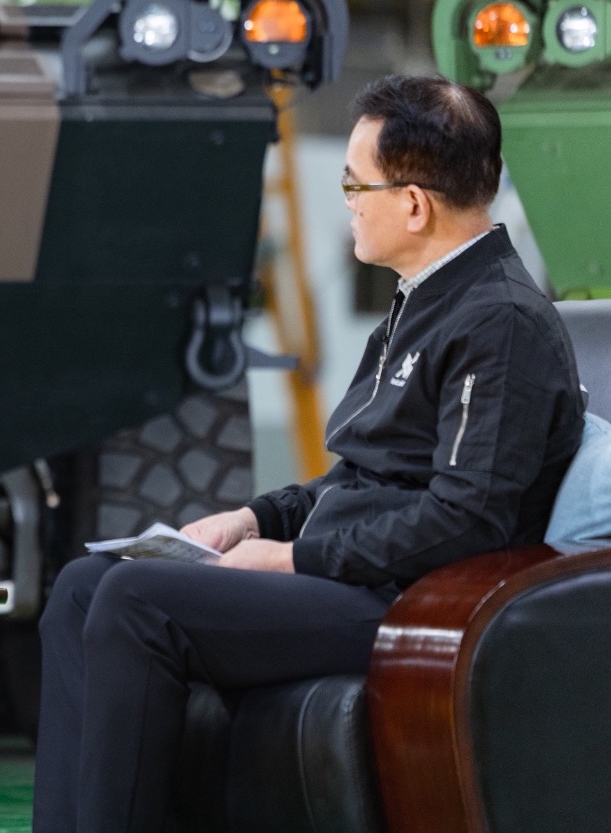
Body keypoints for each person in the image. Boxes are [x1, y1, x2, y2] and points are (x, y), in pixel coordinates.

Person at [33, 74, 585, 833]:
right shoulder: (419, 304)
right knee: (82, 587)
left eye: (356, 183)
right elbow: (364, 476)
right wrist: (254, 519)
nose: (348, 200)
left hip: (411, 600)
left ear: (414, 204)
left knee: (138, 602)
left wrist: (295, 559)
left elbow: (468, 517)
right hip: (355, 577)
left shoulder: (500, 321)